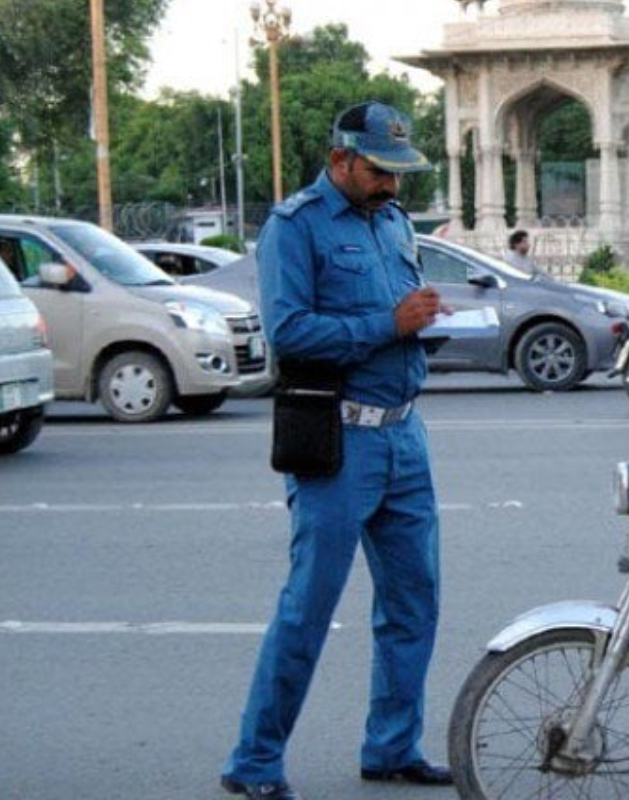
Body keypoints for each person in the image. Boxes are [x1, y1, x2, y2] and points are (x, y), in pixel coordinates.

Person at [220, 101, 451, 800]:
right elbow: (289, 334)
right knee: (308, 608)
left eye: (399, 174)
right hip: (338, 442)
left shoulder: (392, 221)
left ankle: (390, 748)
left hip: (404, 435)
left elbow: (396, 312)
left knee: (414, 603)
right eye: (379, 171)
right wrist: (388, 322)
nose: (391, 185)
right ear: (341, 159)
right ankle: (254, 763)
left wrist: (420, 321)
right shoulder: (295, 227)